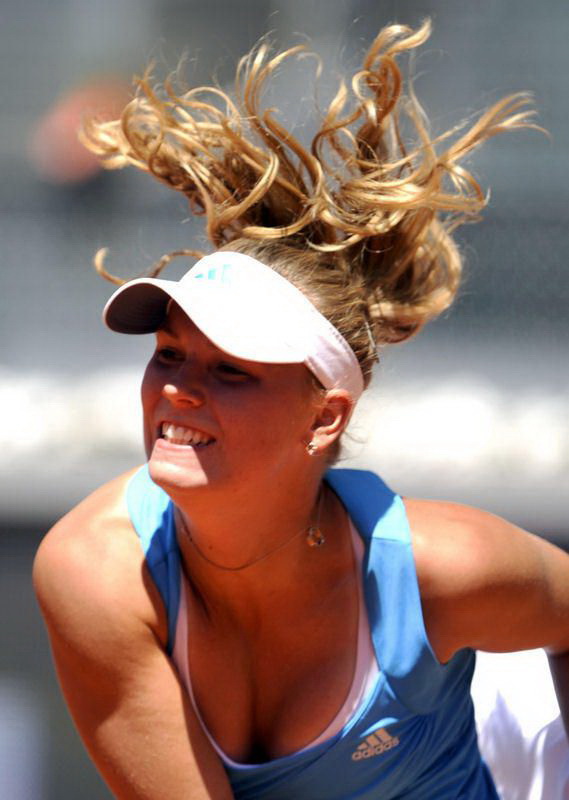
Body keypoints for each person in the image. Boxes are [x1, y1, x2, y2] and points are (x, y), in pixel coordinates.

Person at [33, 20, 569, 800]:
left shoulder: (445, 567)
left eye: (231, 370)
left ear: (324, 418)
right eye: (169, 355)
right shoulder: (92, 571)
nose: (178, 389)